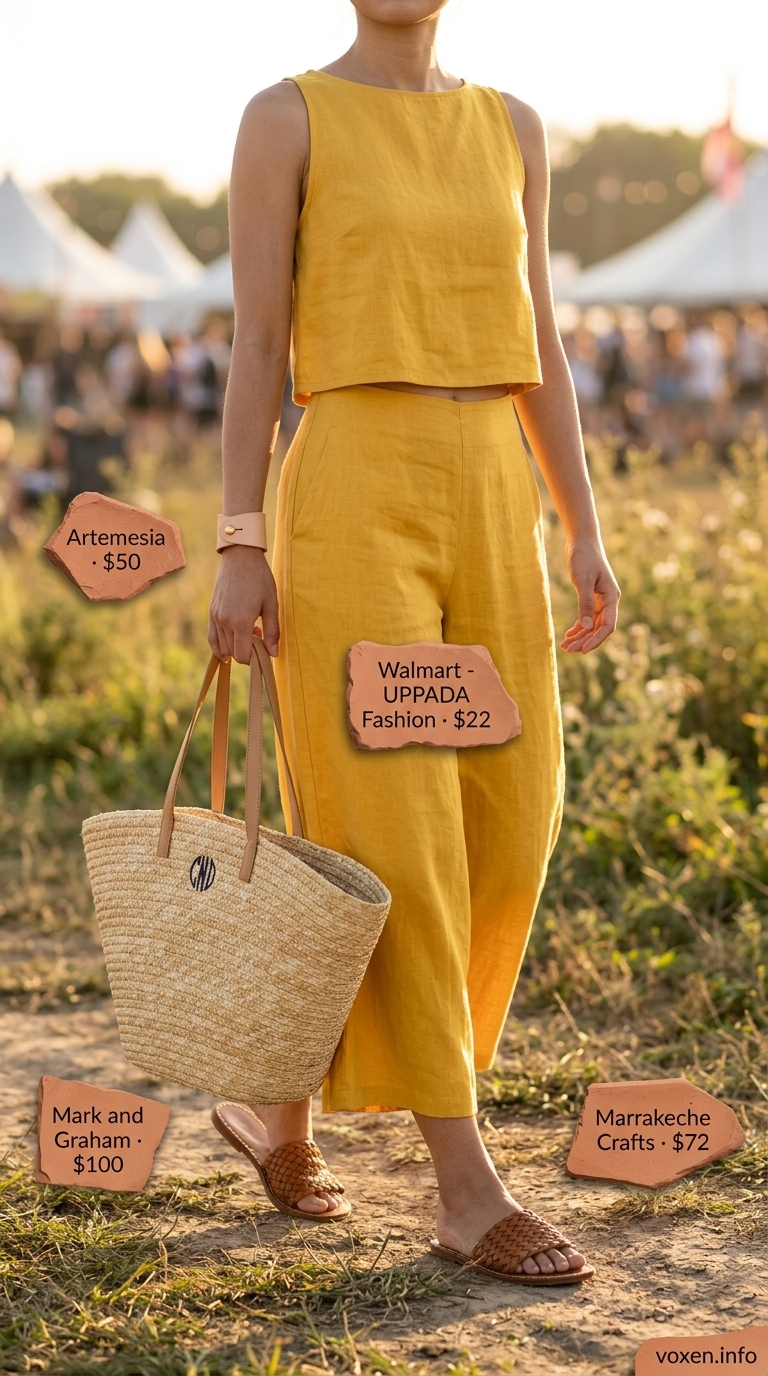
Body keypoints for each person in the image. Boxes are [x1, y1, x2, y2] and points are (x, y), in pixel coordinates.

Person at [207, 0, 618, 1285]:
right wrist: (235, 537)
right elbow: (259, 340)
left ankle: (276, 1105)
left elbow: (539, 333)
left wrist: (582, 524)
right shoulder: (286, 117)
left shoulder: (513, 127)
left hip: (489, 481)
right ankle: (463, 1180)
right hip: (350, 491)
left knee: (511, 818)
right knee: (395, 829)